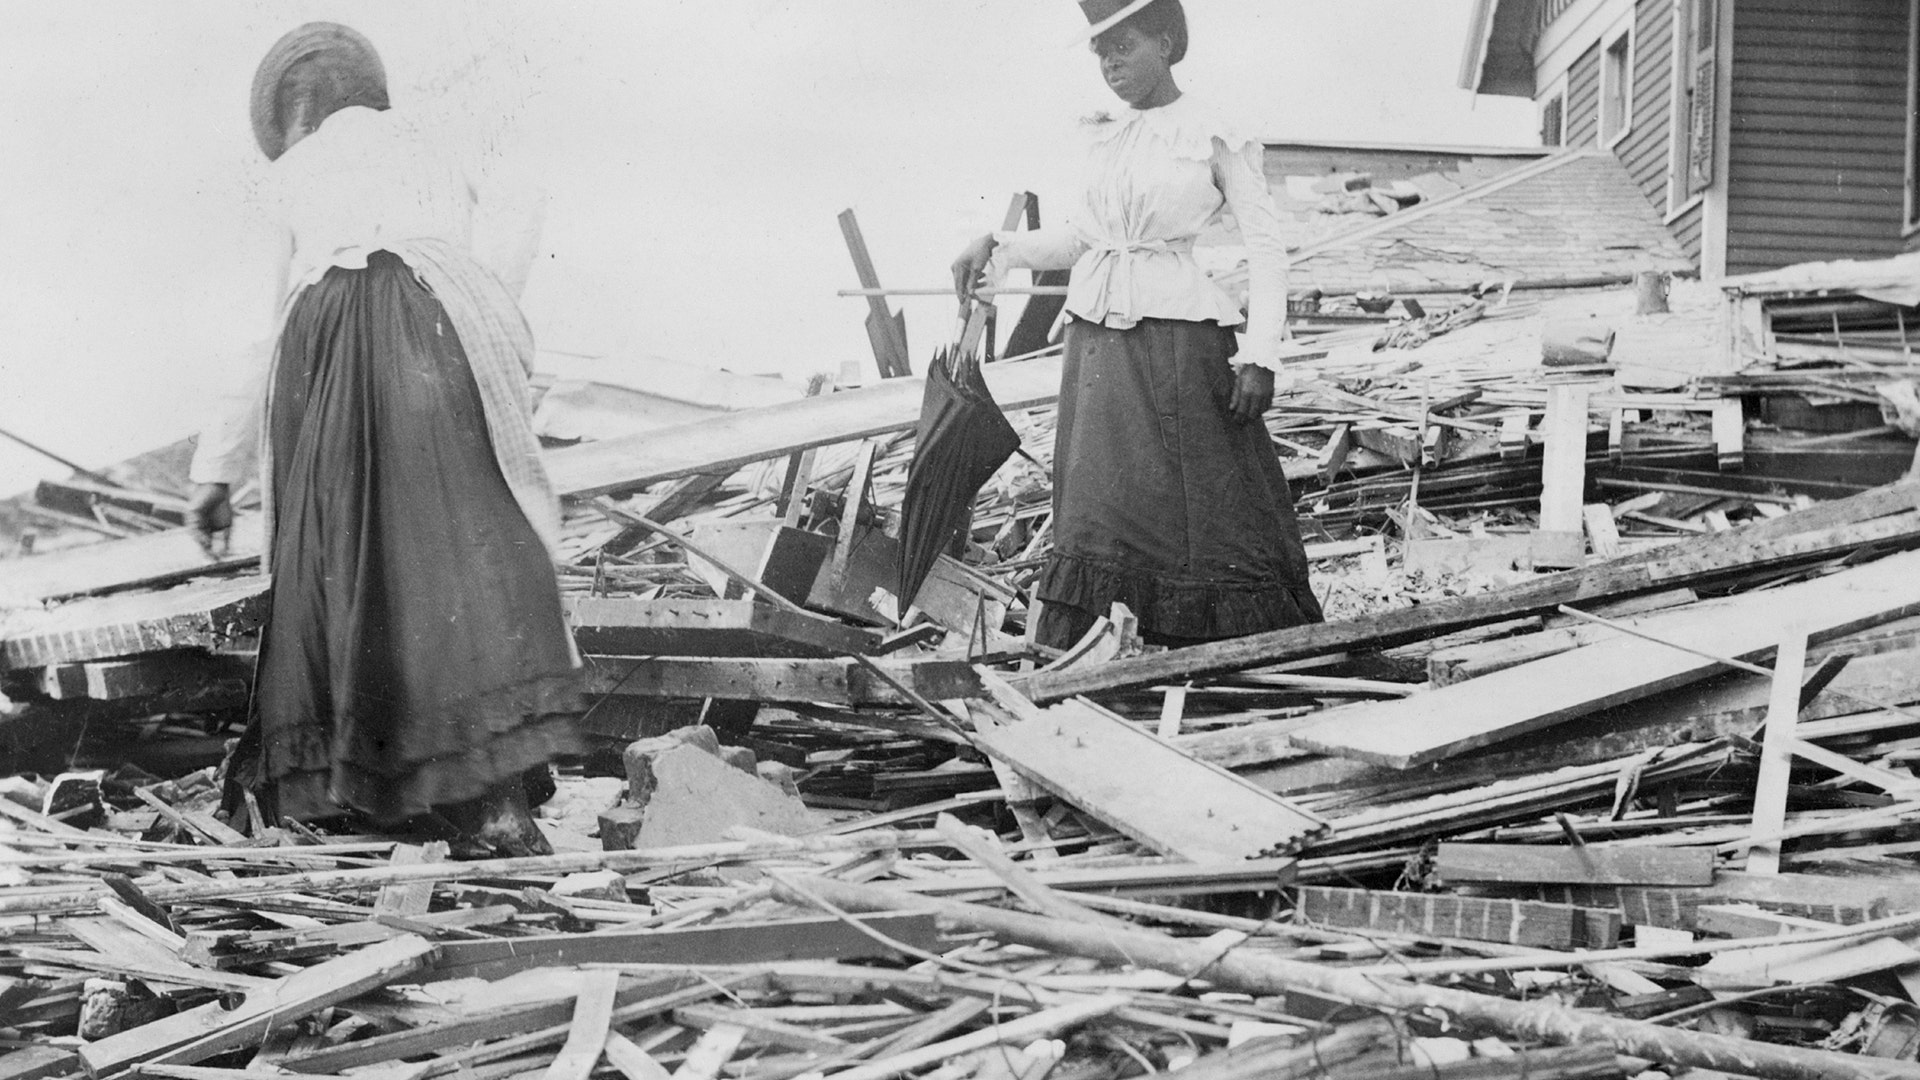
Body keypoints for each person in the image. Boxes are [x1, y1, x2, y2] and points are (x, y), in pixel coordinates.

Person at [185, 22, 580, 857]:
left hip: (332, 349)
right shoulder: (434, 137)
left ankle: (376, 788)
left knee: (343, 566)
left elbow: (257, 335)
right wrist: (481, 297)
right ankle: (491, 801)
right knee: (460, 555)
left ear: (297, 112)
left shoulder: (294, 178)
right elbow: (526, 199)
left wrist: (214, 471)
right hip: (444, 327)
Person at [951, 0, 1322, 650]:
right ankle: (1095, 653)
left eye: (1126, 44)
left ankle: (1216, 657)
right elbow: (1084, 238)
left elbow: (1267, 247)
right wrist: (999, 245)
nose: (1112, 61)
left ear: (1169, 41)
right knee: (1100, 512)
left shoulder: (1211, 131)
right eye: (1101, 50)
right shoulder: (1105, 134)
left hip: (1178, 350)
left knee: (1202, 512)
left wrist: (1261, 353)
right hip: (1098, 354)